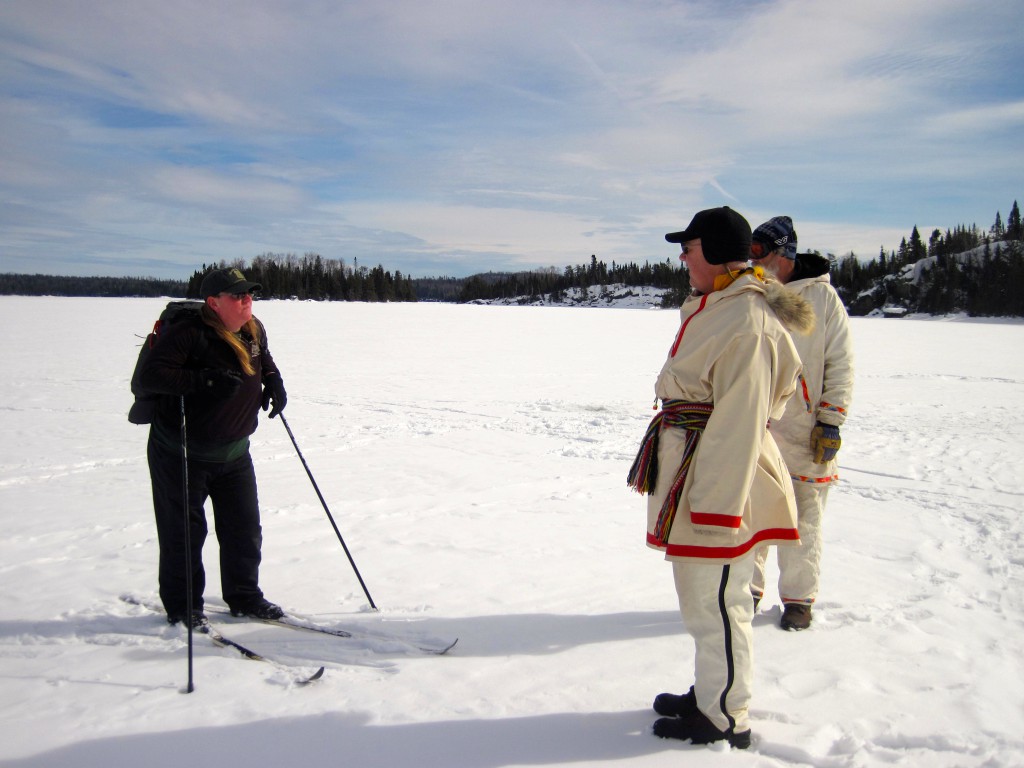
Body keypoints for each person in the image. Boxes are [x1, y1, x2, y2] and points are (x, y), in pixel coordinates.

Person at [627, 206, 814, 748]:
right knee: (704, 599)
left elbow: (740, 420)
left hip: (722, 480)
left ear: (709, 251)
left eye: (687, 248)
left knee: (720, 601)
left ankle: (725, 714)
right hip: (701, 467)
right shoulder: (722, 306)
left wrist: (713, 508)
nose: (682, 259)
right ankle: (713, 690)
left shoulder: (747, 320)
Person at [139, 267, 288, 627]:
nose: (246, 300)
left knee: (244, 530)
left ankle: (244, 596)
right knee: (184, 535)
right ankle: (183, 606)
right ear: (214, 302)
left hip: (234, 453)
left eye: (249, 293)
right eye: (237, 296)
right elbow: (151, 376)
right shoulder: (189, 334)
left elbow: (262, 358)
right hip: (182, 454)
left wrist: (274, 381)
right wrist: (202, 380)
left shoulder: (252, 328)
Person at [748, 216, 854, 631]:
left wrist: (831, 420)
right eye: (750, 251)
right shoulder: (752, 292)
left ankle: (798, 599)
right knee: (750, 509)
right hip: (758, 424)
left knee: (803, 517)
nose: (753, 259)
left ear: (784, 253)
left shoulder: (823, 299)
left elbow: (840, 362)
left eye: (760, 251)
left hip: (805, 428)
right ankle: (746, 592)